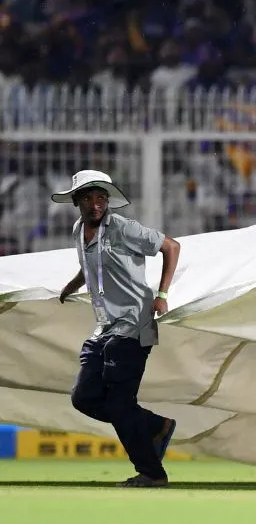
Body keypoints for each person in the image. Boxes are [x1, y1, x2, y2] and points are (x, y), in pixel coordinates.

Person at [53, 170, 182, 488]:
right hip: (105, 326)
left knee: (120, 404)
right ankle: (155, 426)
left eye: (101, 198)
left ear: (108, 201)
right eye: (88, 198)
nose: (96, 204)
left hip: (133, 324)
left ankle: (152, 473)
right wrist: (71, 286)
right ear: (77, 201)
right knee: (84, 398)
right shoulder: (78, 231)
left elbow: (172, 247)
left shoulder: (124, 228)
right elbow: (90, 266)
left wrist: (162, 295)